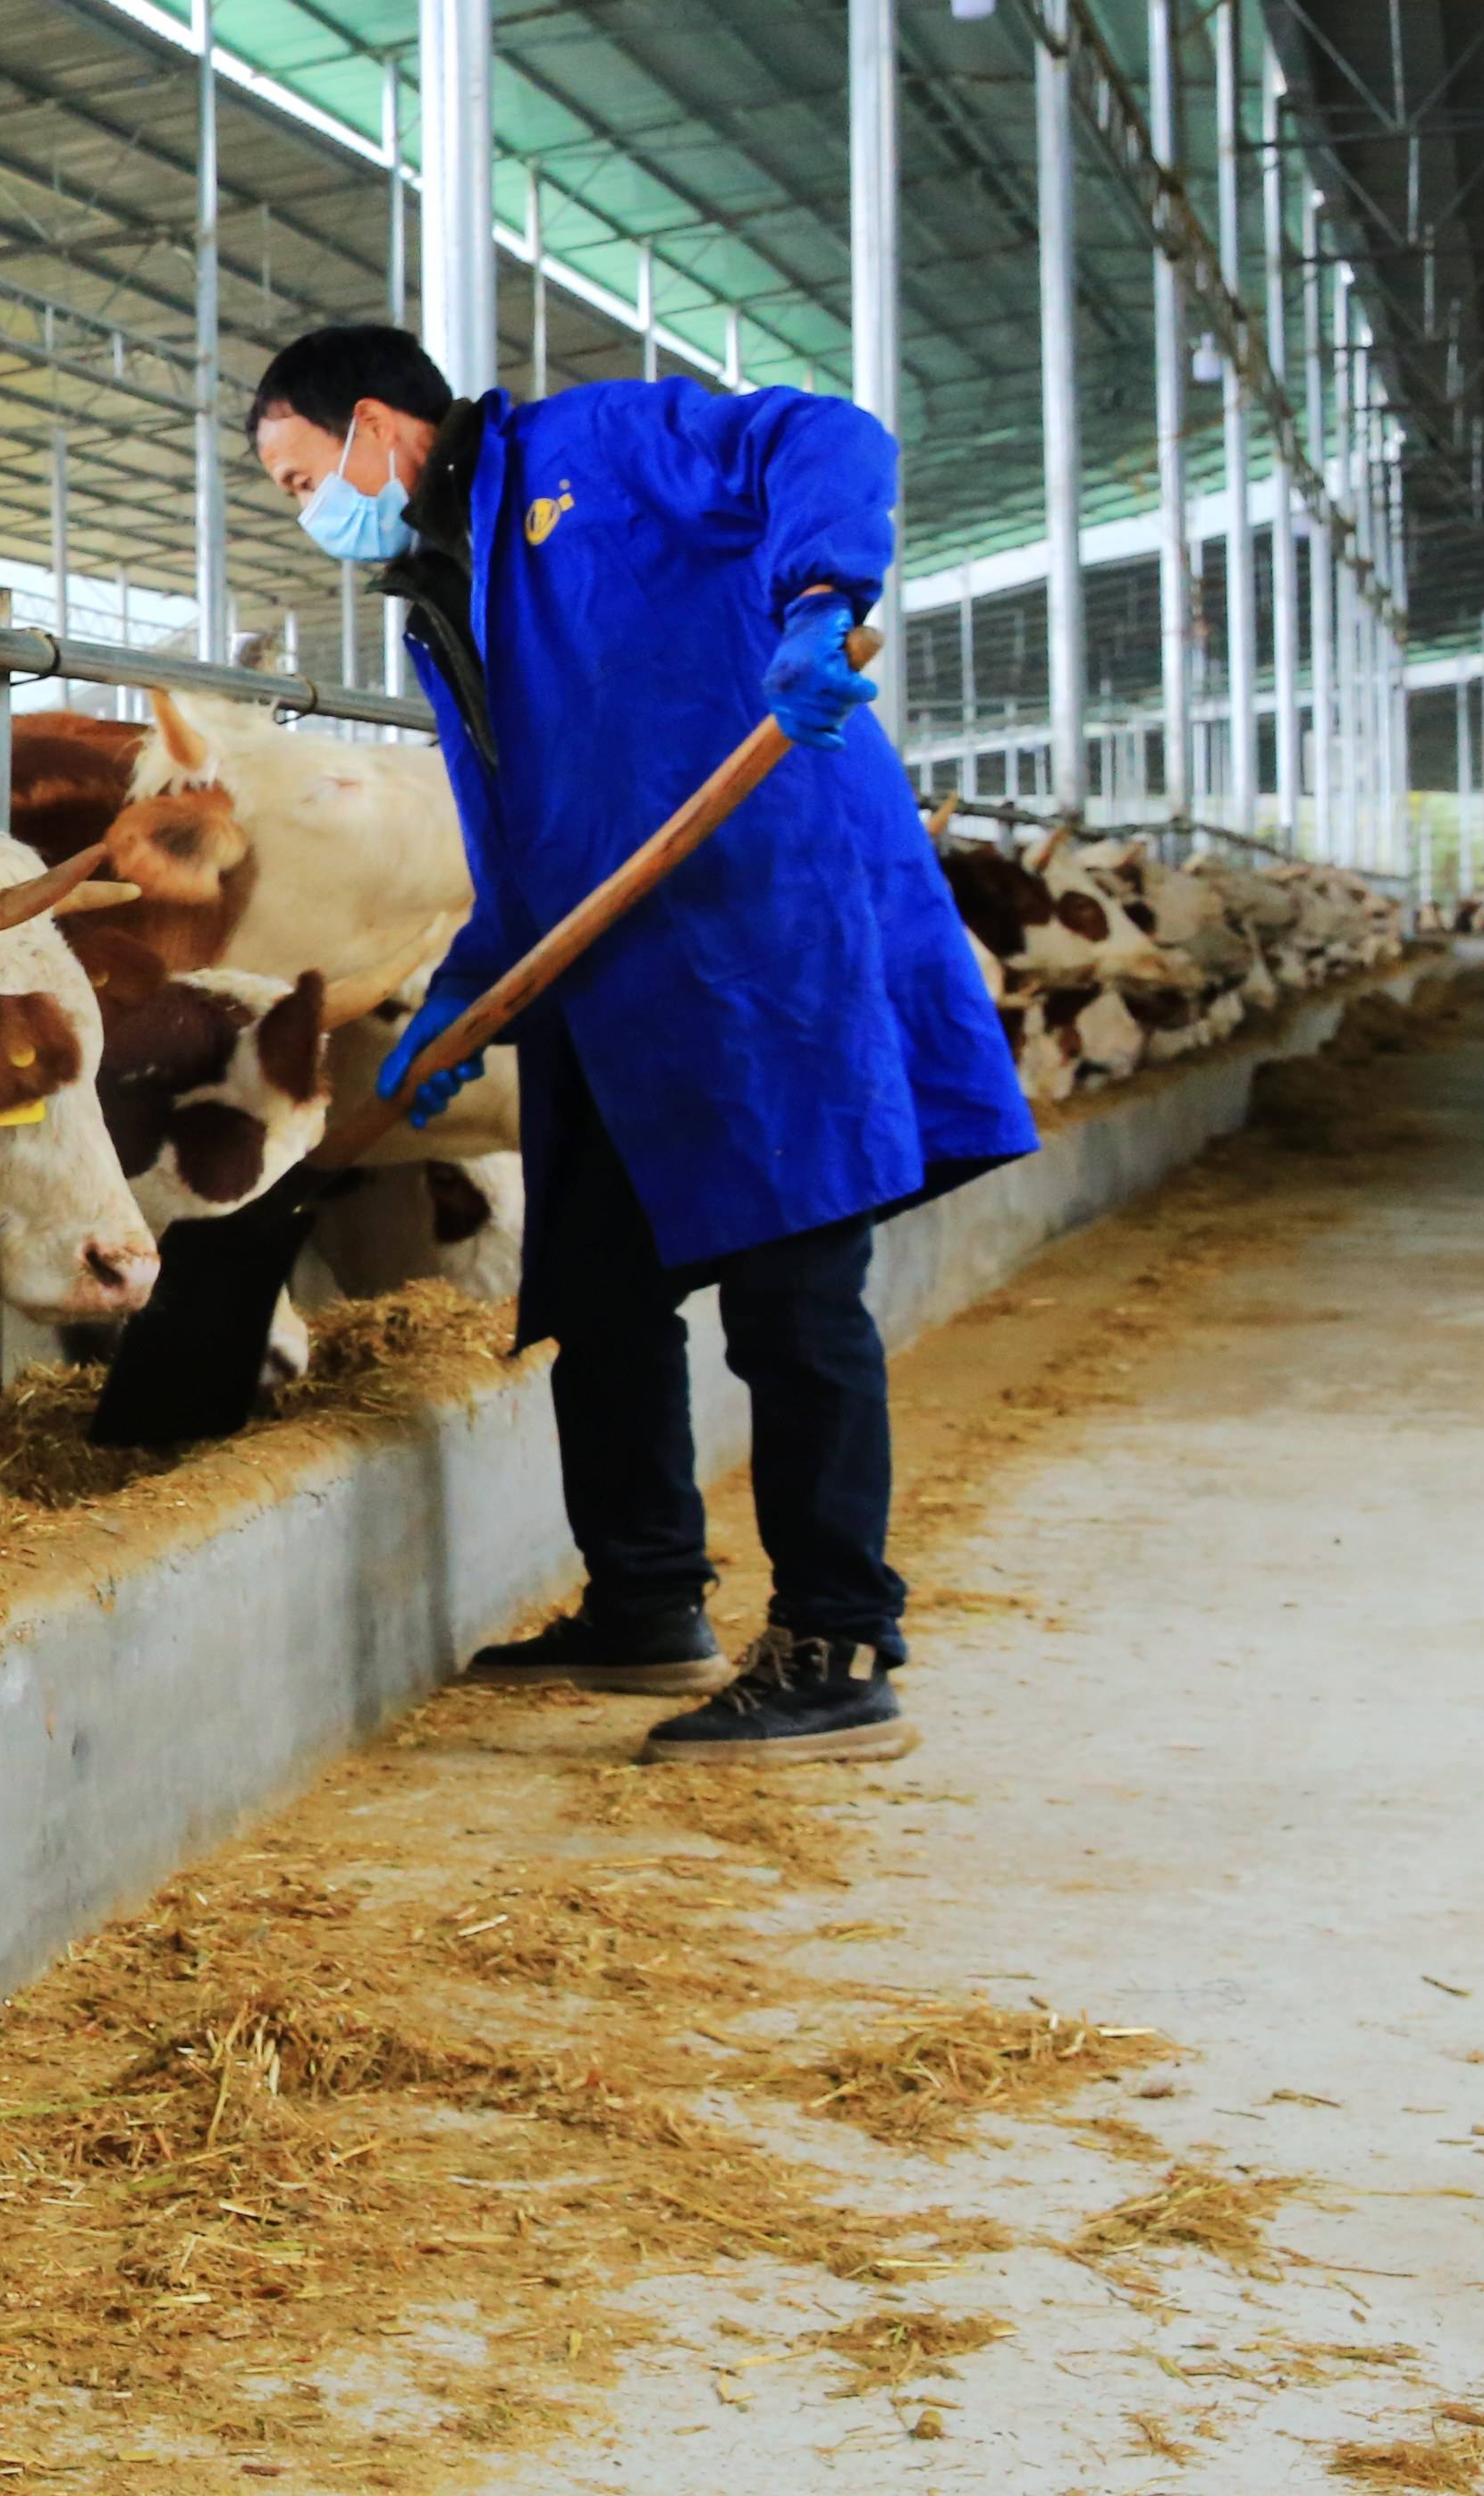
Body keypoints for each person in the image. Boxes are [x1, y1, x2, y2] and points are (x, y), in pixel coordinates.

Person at [248, 323, 1033, 1765]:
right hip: (612, 980)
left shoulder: (591, 451)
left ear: (374, 427)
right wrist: (463, 993)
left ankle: (836, 1644)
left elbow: (829, 435)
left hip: (763, 943)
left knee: (794, 1304)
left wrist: (815, 599)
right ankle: (646, 1600)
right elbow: (525, 836)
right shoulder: (436, 602)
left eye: (303, 476)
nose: (311, 513)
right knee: (597, 1297)